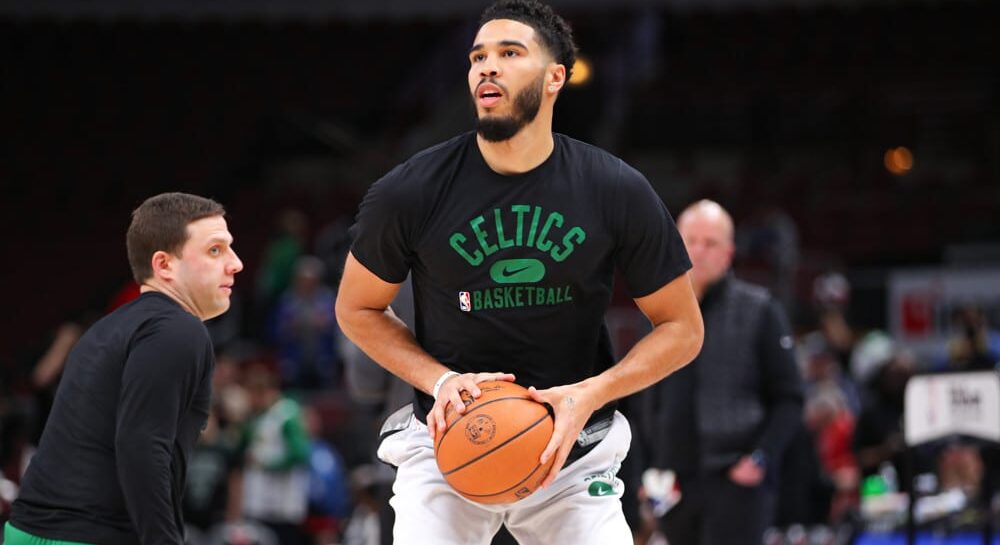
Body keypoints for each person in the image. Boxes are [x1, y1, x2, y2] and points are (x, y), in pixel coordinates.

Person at [334, 1, 704, 543]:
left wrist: (590, 393)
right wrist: (439, 382)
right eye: (478, 56)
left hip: (573, 453)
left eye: (510, 53)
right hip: (448, 443)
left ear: (557, 76)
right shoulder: (410, 191)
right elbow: (356, 307)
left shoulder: (615, 189)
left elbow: (683, 329)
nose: (487, 66)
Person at [5, 192, 243, 544]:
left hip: (29, 530)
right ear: (164, 265)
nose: (235, 263)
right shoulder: (179, 330)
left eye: (230, 247)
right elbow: (141, 444)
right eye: (215, 250)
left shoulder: (107, 328)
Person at [631, 200, 803, 545]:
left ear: (729, 252)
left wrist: (760, 458)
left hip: (734, 479)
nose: (698, 251)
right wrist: (644, 472)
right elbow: (640, 404)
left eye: (710, 243)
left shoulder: (759, 310)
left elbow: (790, 398)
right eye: (690, 240)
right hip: (672, 483)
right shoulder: (656, 313)